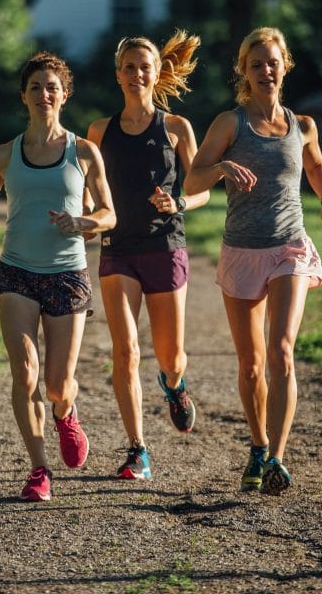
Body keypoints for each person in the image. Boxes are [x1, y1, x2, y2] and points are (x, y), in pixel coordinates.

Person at [184, 26, 322, 496]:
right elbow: (192, 181)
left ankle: (276, 455)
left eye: (272, 62)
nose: (265, 70)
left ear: (285, 65)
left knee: (281, 353)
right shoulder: (228, 125)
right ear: (245, 72)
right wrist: (220, 168)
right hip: (241, 251)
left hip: (289, 247)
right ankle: (256, 445)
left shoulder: (303, 125)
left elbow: (313, 164)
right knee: (252, 365)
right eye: (256, 65)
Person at [0, 52, 116, 502]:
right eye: (36, 87)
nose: (44, 94)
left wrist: (84, 224)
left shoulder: (84, 152)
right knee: (25, 372)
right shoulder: (4, 154)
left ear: (64, 95)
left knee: (55, 384)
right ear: (24, 96)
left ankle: (66, 412)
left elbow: (110, 214)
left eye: (52, 87)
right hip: (16, 272)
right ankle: (38, 468)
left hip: (67, 275)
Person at [86, 32, 210, 481]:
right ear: (118, 74)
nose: (137, 73)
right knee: (125, 351)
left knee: (169, 355)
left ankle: (174, 386)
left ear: (157, 74)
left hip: (164, 245)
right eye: (129, 66)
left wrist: (178, 202)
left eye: (145, 66)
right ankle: (137, 449)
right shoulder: (99, 131)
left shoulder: (176, 127)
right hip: (118, 249)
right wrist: (81, 218)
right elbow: (88, 192)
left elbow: (200, 190)